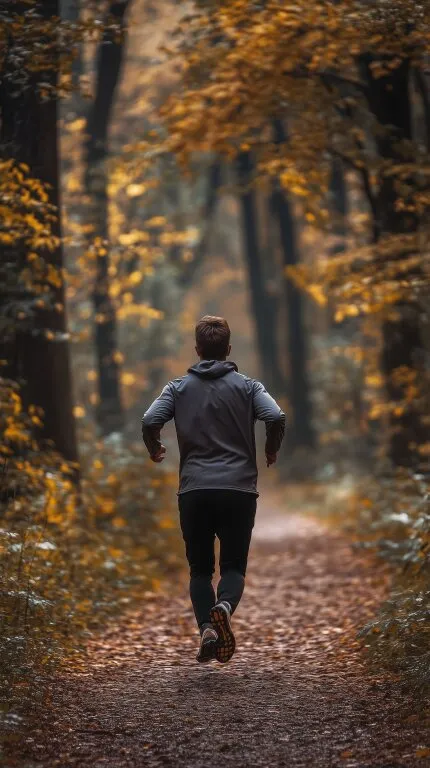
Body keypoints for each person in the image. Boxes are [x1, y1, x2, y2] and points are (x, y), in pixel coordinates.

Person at [141, 316, 285, 664]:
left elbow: (149, 420)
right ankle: (224, 606)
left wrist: (154, 448)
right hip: (238, 490)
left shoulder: (176, 388)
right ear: (228, 350)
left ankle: (207, 627)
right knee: (233, 567)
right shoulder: (250, 387)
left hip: (194, 491)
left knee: (200, 570)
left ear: (198, 349)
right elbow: (275, 417)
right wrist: (270, 448)